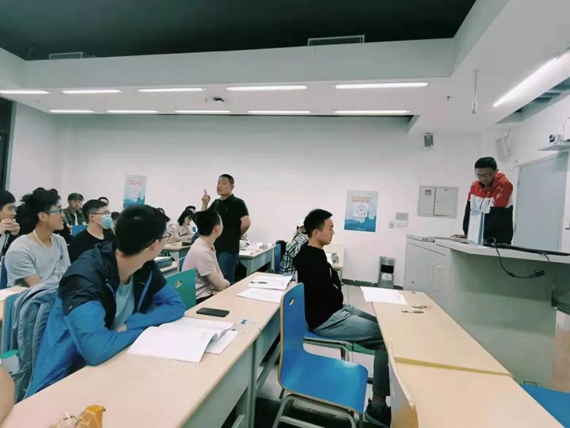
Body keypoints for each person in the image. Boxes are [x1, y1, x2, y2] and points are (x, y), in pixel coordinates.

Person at [27, 205, 185, 396]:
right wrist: (143, 331)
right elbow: (96, 350)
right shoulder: (84, 277)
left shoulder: (145, 266)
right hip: (64, 380)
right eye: (165, 237)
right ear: (153, 245)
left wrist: (132, 324)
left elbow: (175, 305)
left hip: (113, 360)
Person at [293, 209, 391, 427]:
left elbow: (334, 283)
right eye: (330, 228)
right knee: (386, 341)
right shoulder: (309, 259)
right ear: (316, 232)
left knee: (386, 329)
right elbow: (330, 290)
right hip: (327, 319)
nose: (333, 232)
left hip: (336, 309)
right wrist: (335, 288)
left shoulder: (316, 253)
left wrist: (334, 287)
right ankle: (377, 407)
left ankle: (385, 390)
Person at [5, 188, 70, 287]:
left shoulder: (59, 241)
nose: (63, 215)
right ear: (43, 216)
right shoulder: (20, 250)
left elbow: (67, 275)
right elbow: (37, 291)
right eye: (59, 210)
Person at [201, 174, 250, 284]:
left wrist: (235, 235)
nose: (219, 186)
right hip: (214, 246)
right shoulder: (216, 203)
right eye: (218, 183)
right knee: (215, 280)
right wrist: (204, 203)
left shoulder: (238, 202)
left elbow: (246, 223)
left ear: (232, 187)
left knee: (224, 280)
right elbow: (203, 220)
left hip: (228, 248)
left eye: (223, 183)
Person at [460, 157, 514, 244]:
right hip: (478, 237)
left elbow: (497, 216)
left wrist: (484, 236)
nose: (483, 179)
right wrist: (468, 233)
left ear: (496, 172)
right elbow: (469, 212)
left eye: (486, 175)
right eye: (479, 175)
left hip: (498, 238)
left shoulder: (504, 185)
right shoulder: (474, 186)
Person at [182, 210, 229, 304]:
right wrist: (226, 283)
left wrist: (222, 283)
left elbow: (218, 276)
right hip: (200, 299)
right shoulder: (202, 251)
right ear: (216, 229)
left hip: (209, 292)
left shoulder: (207, 245)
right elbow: (220, 285)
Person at [0, 190, 20, 257]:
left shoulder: (6, 229)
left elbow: (9, 256)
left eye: (14, 208)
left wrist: (13, 235)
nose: (14, 213)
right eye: (10, 209)